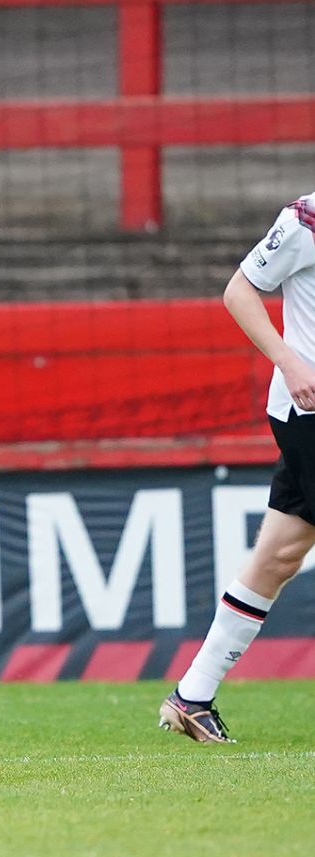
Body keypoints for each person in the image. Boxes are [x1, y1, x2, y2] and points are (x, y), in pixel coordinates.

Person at [160, 191, 315, 744]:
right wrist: (288, 358)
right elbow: (240, 289)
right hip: (309, 410)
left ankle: (192, 696)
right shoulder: (306, 218)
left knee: (280, 554)